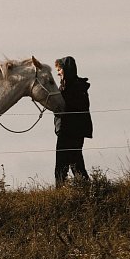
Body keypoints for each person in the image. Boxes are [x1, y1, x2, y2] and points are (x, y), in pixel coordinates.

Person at [54, 56, 92, 187]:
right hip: (71, 131)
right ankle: (88, 190)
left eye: (59, 69)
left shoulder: (73, 88)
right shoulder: (72, 87)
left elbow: (67, 107)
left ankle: (60, 194)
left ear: (65, 70)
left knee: (62, 166)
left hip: (70, 131)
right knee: (76, 164)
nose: (58, 73)